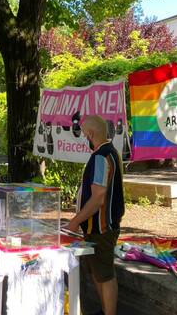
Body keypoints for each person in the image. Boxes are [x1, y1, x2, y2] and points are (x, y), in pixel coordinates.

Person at [65, 115, 125, 315]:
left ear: (90, 134)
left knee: (104, 274)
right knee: (99, 273)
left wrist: (74, 222)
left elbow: (98, 197)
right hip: (97, 226)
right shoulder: (109, 153)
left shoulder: (101, 156)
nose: (83, 138)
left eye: (84, 134)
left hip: (101, 227)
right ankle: (104, 310)